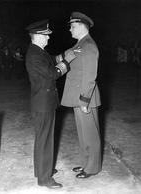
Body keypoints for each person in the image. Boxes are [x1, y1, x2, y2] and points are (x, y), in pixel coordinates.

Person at [25, 19, 76, 189]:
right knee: (45, 140)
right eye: (46, 36)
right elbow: (52, 73)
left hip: (44, 102)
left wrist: (65, 53)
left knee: (43, 139)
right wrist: (67, 62)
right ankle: (44, 179)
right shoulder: (34, 54)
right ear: (38, 36)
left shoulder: (38, 51)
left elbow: (52, 60)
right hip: (43, 104)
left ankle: (43, 170)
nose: (48, 39)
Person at [57, 12, 102, 178]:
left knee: (90, 134)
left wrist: (84, 101)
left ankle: (92, 167)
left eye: (72, 26)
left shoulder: (89, 46)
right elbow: (61, 58)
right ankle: (85, 163)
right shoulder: (80, 44)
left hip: (86, 98)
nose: (70, 29)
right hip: (78, 97)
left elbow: (90, 76)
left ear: (82, 26)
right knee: (83, 134)